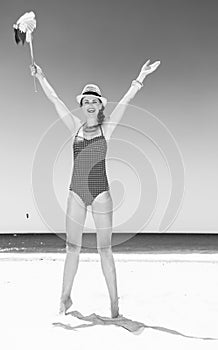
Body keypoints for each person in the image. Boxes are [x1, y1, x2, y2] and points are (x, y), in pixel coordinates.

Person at [30, 59, 160, 318]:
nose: (90, 104)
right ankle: (65, 299)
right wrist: (41, 76)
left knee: (105, 250)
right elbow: (55, 100)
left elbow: (125, 102)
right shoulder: (74, 128)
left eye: (94, 100)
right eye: (86, 101)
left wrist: (140, 78)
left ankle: (114, 306)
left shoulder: (106, 128)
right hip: (75, 193)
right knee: (71, 249)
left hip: (101, 194)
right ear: (82, 106)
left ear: (100, 104)